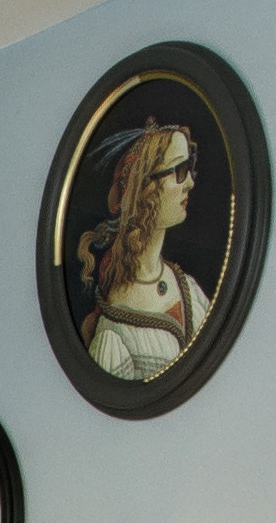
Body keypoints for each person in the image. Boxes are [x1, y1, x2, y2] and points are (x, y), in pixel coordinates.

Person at [71, 118, 217, 384]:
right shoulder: (113, 335)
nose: (191, 184)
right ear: (147, 188)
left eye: (190, 166)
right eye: (180, 171)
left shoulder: (187, 286)